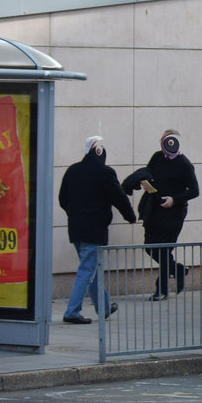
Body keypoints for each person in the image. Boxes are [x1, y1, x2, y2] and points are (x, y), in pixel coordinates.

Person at [58, 136, 137, 324]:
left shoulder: (72, 170)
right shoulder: (105, 172)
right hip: (94, 230)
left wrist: (75, 214)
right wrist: (130, 216)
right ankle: (72, 312)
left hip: (75, 229)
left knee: (91, 270)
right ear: (99, 151)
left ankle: (104, 307)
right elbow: (118, 197)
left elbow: (63, 199)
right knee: (87, 270)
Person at [123, 129, 199, 300]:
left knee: (164, 250)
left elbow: (194, 191)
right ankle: (177, 270)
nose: (163, 143)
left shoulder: (184, 164)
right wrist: (145, 182)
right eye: (162, 140)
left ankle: (161, 290)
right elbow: (150, 172)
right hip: (154, 210)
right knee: (150, 247)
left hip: (173, 213)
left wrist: (174, 199)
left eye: (167, 140)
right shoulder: (157, 157)